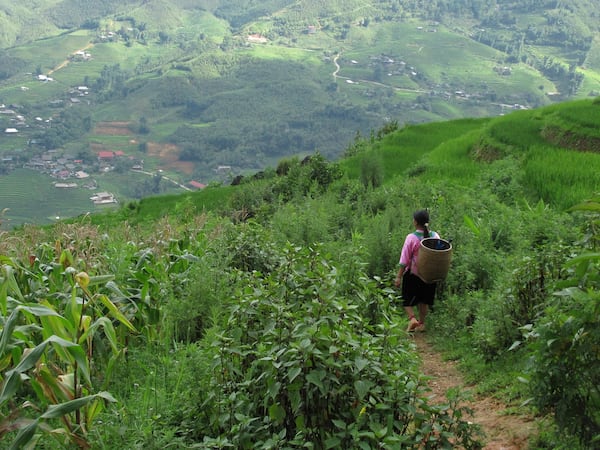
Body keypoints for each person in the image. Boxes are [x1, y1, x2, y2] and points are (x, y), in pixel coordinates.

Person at [394, 209, 440, 332]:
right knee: (424, 300)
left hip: (413, 274)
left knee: (406, 299)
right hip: (429, 275)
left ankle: (412, 319)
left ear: (415, 222)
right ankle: (422, 323)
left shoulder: (411, 238)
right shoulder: (435, 236)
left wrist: (399, 276)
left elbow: (404, 259)